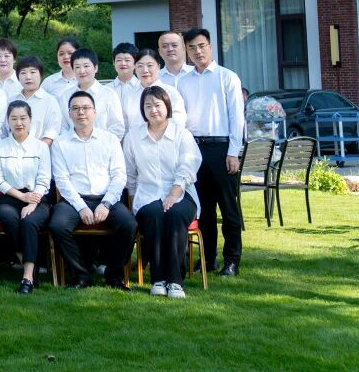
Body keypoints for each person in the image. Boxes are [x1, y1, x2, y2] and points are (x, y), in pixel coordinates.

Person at [49, 90, 136, 290]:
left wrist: (106, 203)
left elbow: (119, 176)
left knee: (128, 224)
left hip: (107, 198)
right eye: (76, 109)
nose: (81, 112)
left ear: (95, 112)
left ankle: (114, 275)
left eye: (86, 108)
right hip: (74, 200)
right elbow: (62, 180)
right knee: (57, 226)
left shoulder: (109, 139)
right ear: (69, 114)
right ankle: (81, 275)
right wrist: (81, 207)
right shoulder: (60, 142)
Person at [176, 28, 245, 277]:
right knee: (203, 208)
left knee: (228, 208)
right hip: (194, 148)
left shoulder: (227, 77)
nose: (197, 51)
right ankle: (208, 258)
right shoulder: (183, 81)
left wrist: (233, 152)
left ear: (210, 46)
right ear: (187, 51)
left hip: (222, 148)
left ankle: (232, 260)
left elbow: (237, 118)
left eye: (201, 46)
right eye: (192, 48)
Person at [125, 86, 202, 299]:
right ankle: (158, 279)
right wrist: (132, 204)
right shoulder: (133, 136)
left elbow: (188, 166)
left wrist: (173, 194)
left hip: (182, 192)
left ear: (167, 106)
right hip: (147, 194)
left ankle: (175, 281)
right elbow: (130, 174)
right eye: (147, 106)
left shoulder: (181, 134)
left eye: (157, 105)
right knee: (154, 214)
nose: (153, 110)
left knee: (175, 214)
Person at [0, 100, 52, 294]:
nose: (19, 123)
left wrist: (31, 202)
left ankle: (27, 276)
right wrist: (21, 197)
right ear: (8, 121)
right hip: (9, 197)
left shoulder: (40, 147)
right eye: (14, 118)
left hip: (37, 198)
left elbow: (44, 179)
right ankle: (30, 267)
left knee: (29, 221)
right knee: (10, 219)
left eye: (23, 118)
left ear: (30, 120)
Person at [56, 48, 126, 140]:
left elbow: (117, 127)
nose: (82, 71)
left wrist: (97, 144)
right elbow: (62, 127)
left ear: (95, 68)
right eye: (77, 67)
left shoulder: (109, 94)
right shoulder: (66, 96)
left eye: (86, 66)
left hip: (103, 146)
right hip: (73, 146)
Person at [11, 56, 63, 145]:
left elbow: (52, 132)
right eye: (23, 73)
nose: (28, 77)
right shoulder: (11, 100)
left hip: (40, 150)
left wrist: (36, 151)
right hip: (12, 150)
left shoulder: (50, 101)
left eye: (32, 72)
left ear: (41, 75)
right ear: (18, 77)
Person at [132, 49, 187, 126]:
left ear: (158, 67)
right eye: (140, 66)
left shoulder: (169, 91)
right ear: (135, 69)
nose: (145, 70)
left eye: (150, 65)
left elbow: (178, 120)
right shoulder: (130, 93)